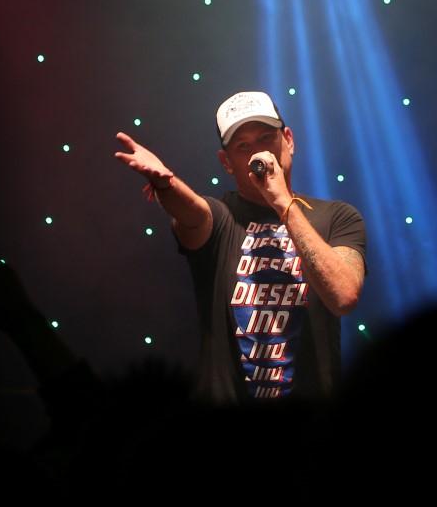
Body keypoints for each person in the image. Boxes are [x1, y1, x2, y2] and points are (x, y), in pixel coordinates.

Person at [114, 90, 366, 403]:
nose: (258, 152)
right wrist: (166, 184)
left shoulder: (338, 216)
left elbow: (343, 296)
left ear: (288, 140)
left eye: (266, 138)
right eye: (242, 146)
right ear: (227, 163)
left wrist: (282, 203)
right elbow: (191, 210)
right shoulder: (221, 217)